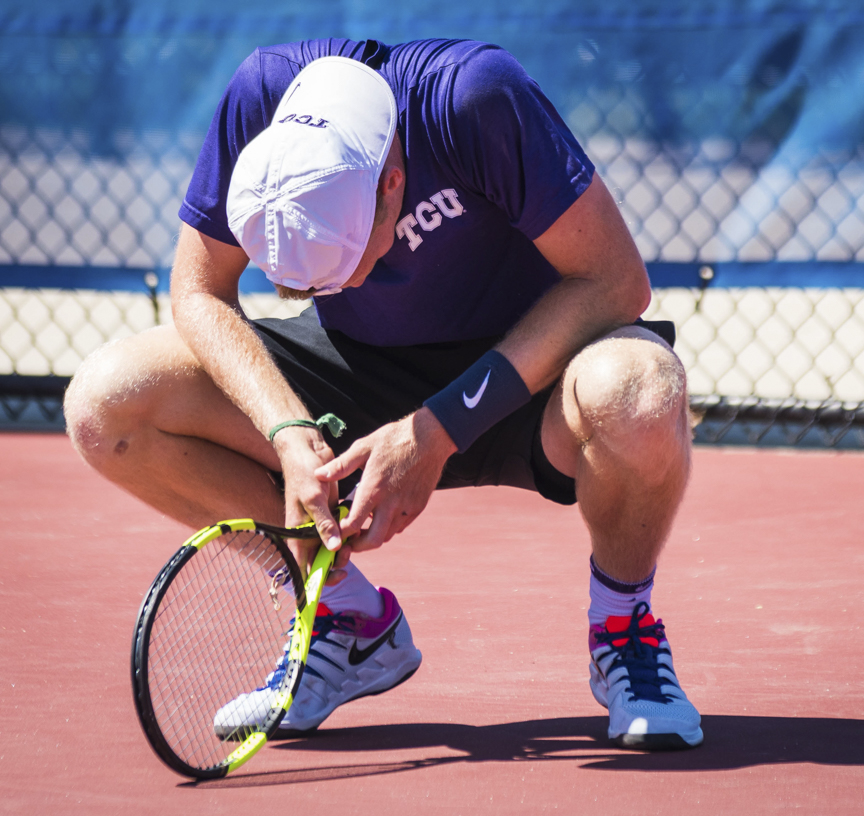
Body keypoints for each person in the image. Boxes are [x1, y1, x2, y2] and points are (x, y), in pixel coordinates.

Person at [63, 37, 702, 749]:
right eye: (310, 282)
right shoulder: (259, 95)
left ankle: (624, 630)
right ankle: (340, 616)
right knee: (107, 404)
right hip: (357, 371)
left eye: (344, 264)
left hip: (537, 372)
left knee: (640, 394)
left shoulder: (473, 100)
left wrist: (436, 429)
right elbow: (199, 291)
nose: (342, 288)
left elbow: (617, 282)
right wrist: (285, 429)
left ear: (391, 183)